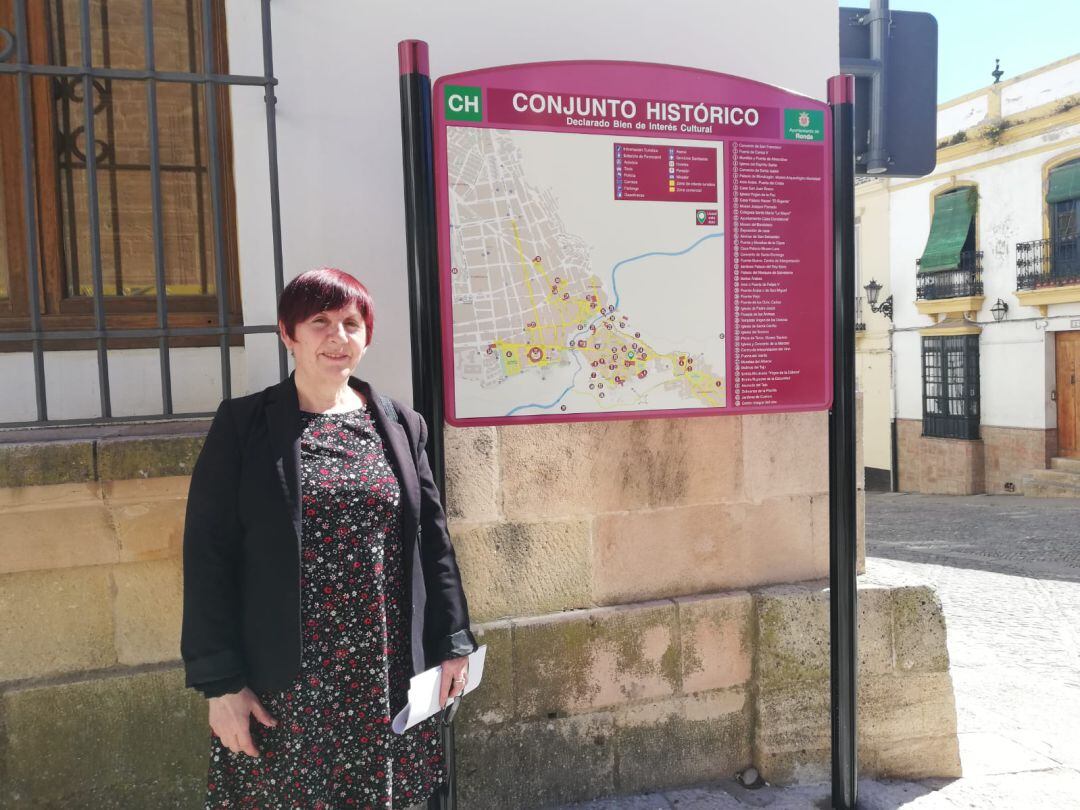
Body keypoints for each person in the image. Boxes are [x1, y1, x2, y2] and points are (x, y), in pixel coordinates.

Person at [181, 267, 476, 809]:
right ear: (288, 334)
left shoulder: (401, 424)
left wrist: (453, 644)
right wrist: (221, 685)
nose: (338, 337)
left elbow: (433, 544)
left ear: (367, 334)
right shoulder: (243, 426)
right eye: (319, 322)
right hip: (287, 682)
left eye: (351, 322)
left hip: (384, 671)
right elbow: (207, 558)